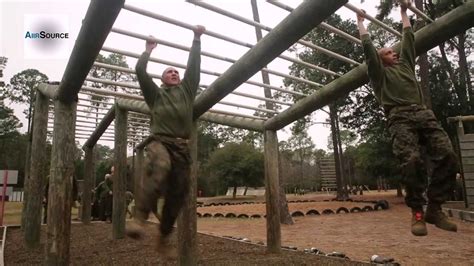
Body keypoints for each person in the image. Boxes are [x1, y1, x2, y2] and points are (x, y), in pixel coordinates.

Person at [356, 0, 458, 236]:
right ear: (382, 60)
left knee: (448, 154)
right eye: (389, 52)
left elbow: (408, 36)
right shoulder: (379, 74)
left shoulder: (406, 65)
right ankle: (418, 213)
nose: (395, 53)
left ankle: (435, 208)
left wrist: (403, 12)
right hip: (399, 117)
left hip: (422, 112)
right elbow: (369, 51)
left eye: (395, 51)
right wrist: (361, 23)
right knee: (411, 160)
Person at [125, 25, 205, 255]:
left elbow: (194, 67)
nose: (174, 73)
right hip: (160, 141)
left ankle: (163, 236)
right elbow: (140, 72)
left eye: (176, 72)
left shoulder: (187, 91)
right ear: (162, 79)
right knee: (160, 166)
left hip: (182, 146)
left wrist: (197, 38)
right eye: (169, 72)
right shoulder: (156, 95)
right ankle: (138, 219)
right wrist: (148, 50)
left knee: (179, 191)